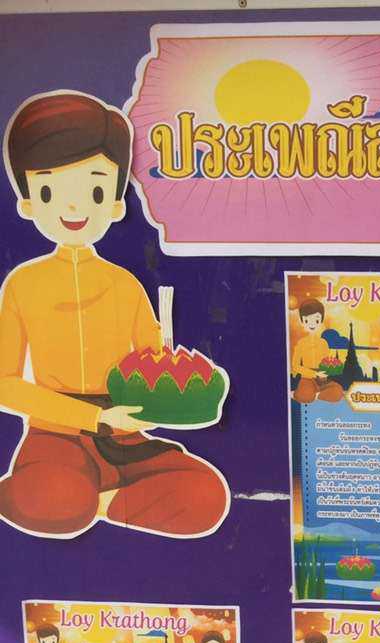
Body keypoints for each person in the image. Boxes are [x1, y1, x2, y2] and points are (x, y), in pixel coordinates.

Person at [0, 91, 228, 538]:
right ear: (27, 203)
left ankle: (98, 503)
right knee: (55, 496)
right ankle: (79, 500)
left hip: (124, 439)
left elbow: (155, 368)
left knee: (207, 494)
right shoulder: (22, 284)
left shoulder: (124, 284)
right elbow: (5, 384)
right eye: (49, 191)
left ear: (116, 204)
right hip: (54, 437)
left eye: (95, 190)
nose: (74, 208)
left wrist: (163, 403)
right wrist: (93, 420)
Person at [290, 300, 342, 403]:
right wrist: (314, 374)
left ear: (321, 321)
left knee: (338, 391)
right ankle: (305, 394)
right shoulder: (301, 343)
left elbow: (327, 362)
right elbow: (295, 366)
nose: (312, 324)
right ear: (302, 322)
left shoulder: (323, 343)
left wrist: (329, 370)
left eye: (316, 320)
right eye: (307, 321)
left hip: (322, 379)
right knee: (305, 395)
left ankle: (317, 395)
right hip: (307, 377)